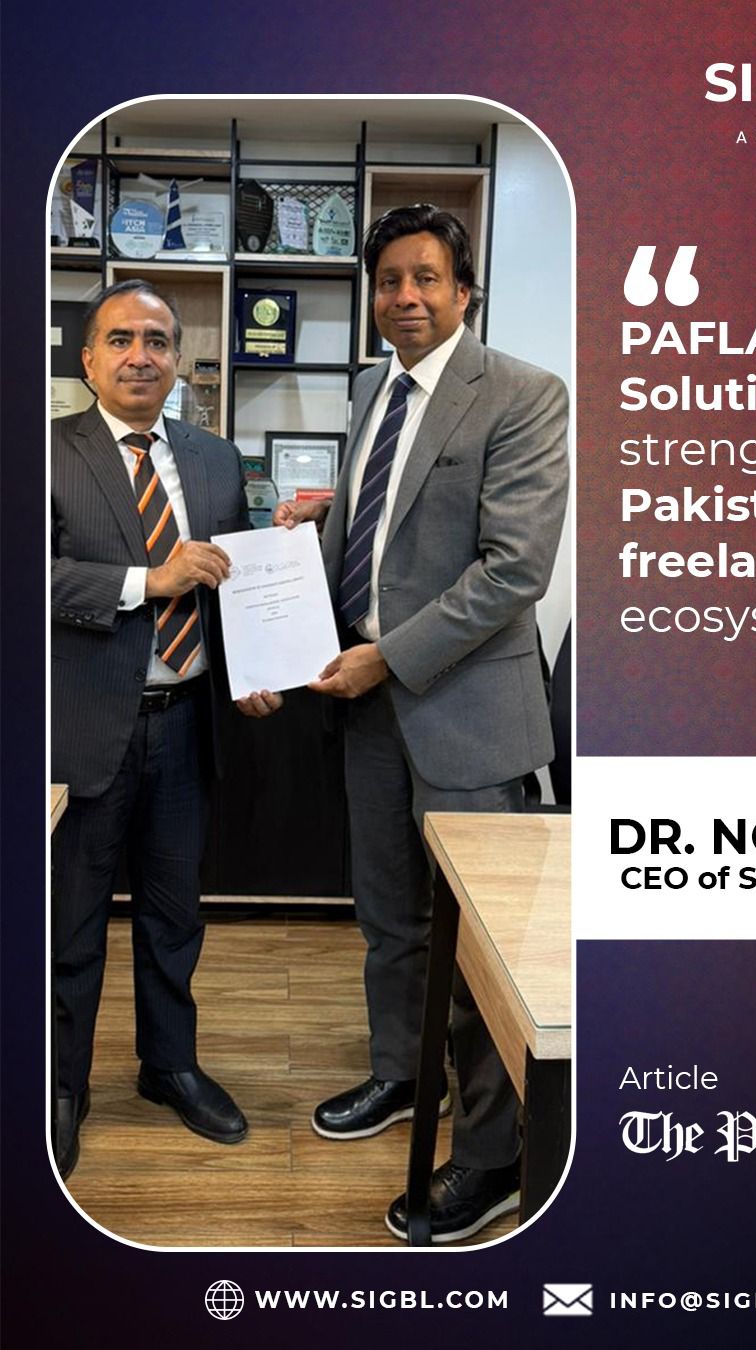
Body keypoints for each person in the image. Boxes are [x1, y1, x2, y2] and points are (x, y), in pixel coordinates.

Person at [269, 203, 568, 1241]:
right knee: (390, 921)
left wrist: (386, 655)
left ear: (463, 290)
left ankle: (493, 1153)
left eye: (426, 277)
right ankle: (404, 1076)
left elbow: (514, 570)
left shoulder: (524, 394)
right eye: (389, 280)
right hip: (369, 714)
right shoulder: (372, 387)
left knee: (477, 951)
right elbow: (391, 519)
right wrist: (323, 519)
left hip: (467, 715)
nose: (405, 297)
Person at [51, 279, 274, 1179]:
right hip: (82, 730)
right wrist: (149, 581)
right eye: (120, 340)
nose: (140, 356)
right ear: (88, 358)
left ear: (178, 358)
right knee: (69, 924)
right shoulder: (45, 451)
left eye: (156, 340)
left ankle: (169, 1065)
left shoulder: (215, 458)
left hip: (186, 726)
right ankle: (61, 1084)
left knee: (174, 917)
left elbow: (235, 577)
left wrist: (255, 665)